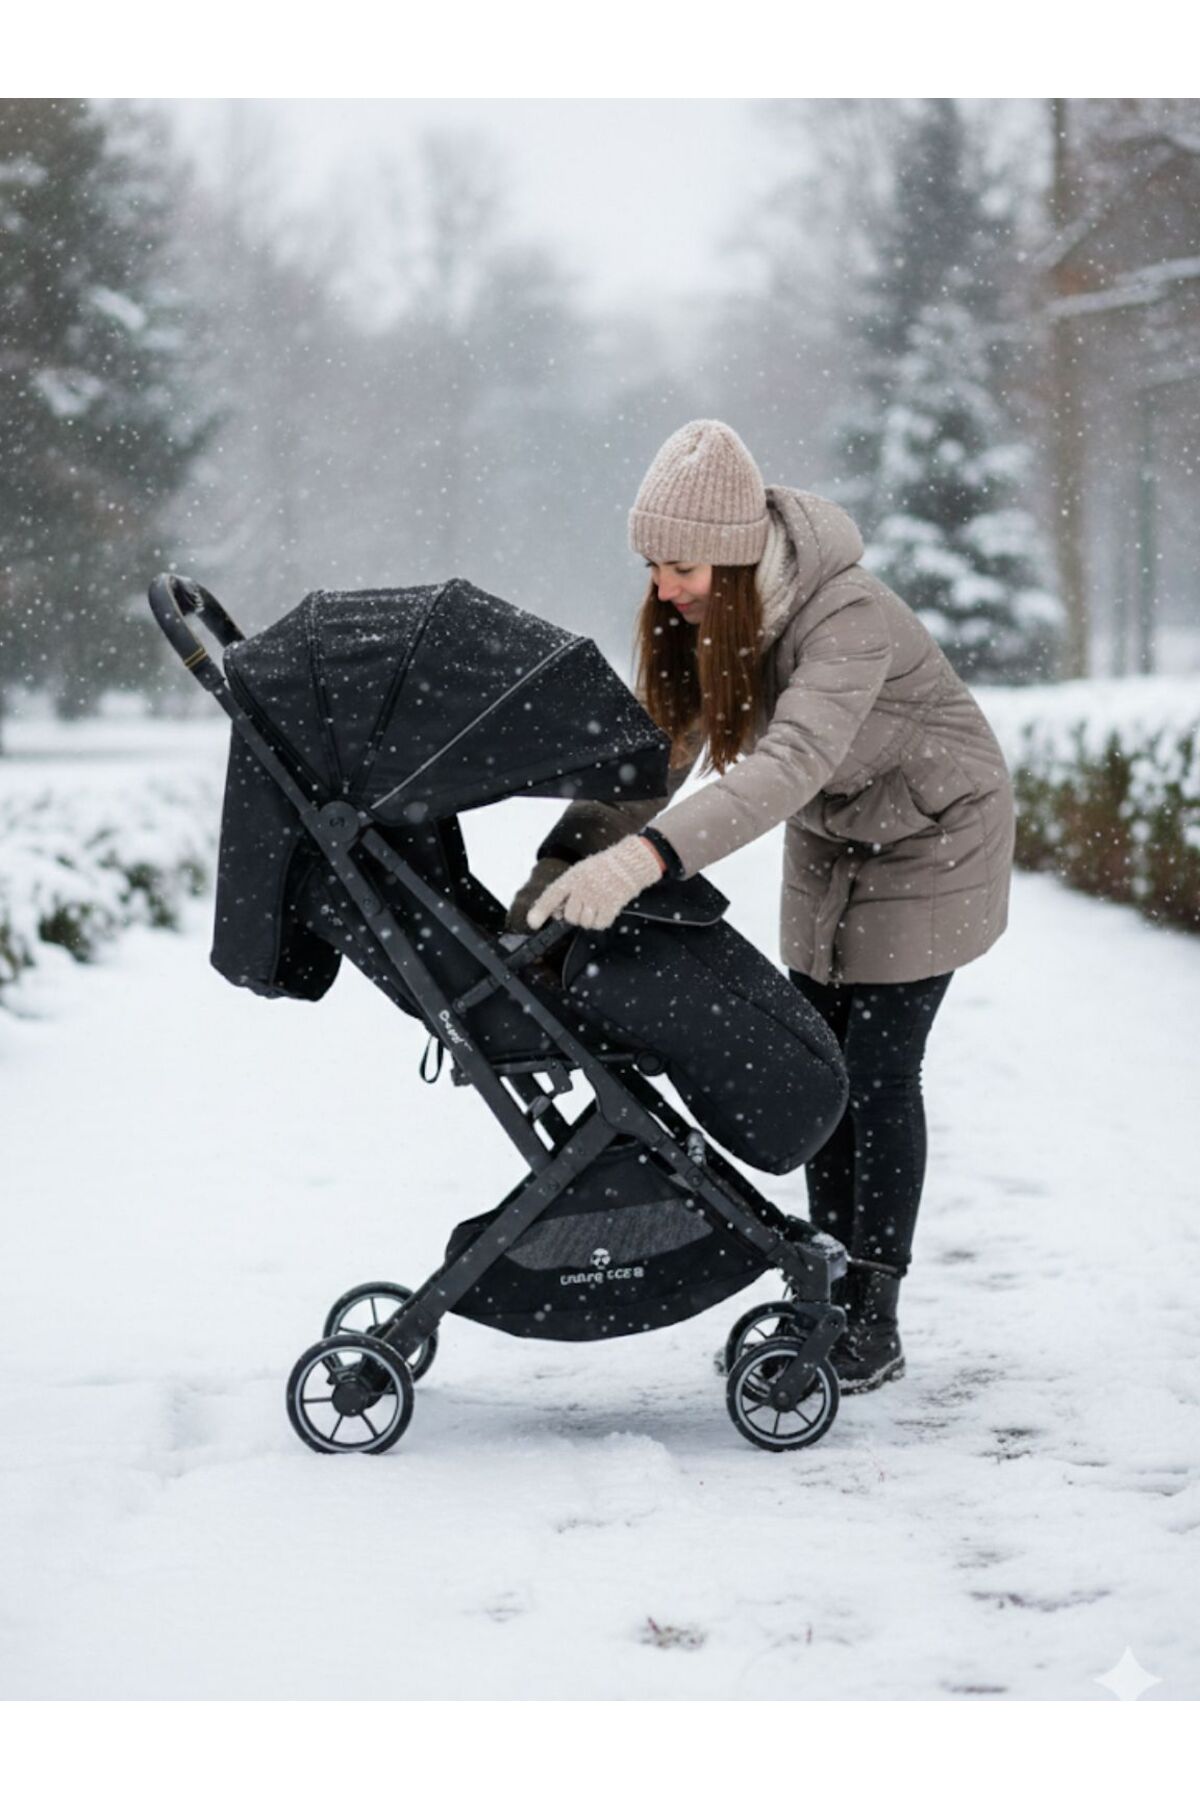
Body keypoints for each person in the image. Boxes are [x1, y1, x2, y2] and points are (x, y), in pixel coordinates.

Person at [509, 419, 1015, 1394]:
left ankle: (874, 1311)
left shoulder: (846, 616)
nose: (664, 585)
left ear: (737, 560)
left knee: (876, 1073)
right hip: (835, 843)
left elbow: (788, 765)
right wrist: (556, 876)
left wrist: (646, 863)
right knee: (819, 1070)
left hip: (934, 837)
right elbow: (653, 757)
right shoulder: (714, 621)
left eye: (681, 564)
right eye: (653, 564)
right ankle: (825, 1278)